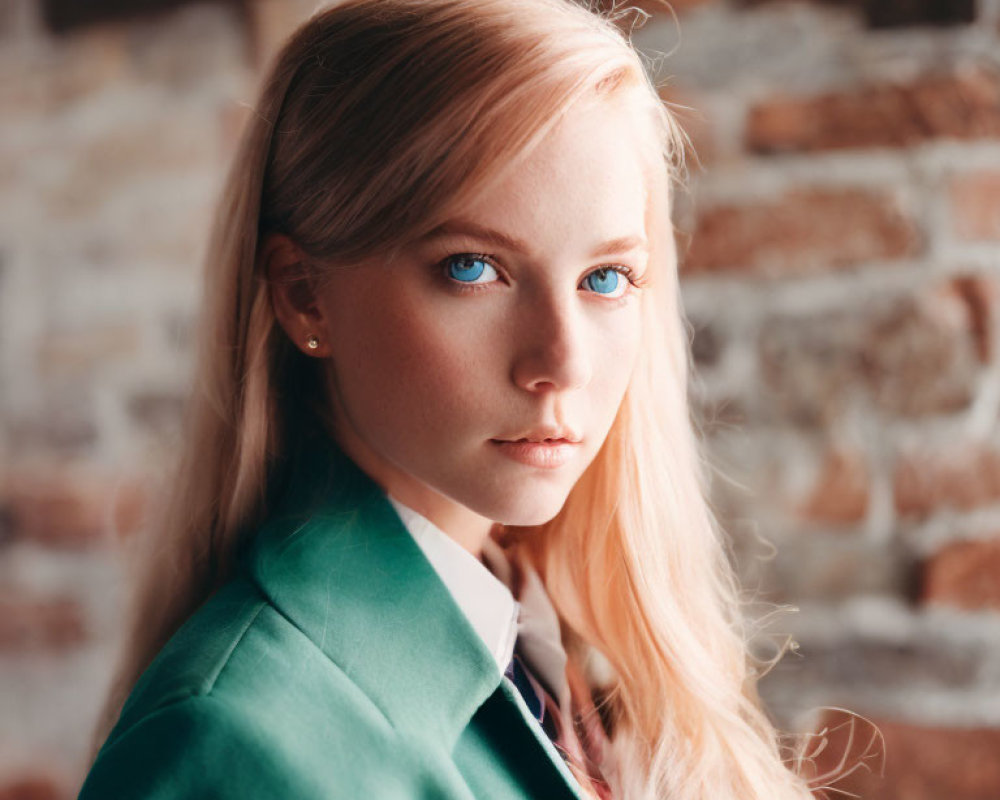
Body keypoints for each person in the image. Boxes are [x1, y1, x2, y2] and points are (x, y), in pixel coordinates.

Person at [77, 0, 854, 797]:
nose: (561, 362)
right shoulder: (234, 741)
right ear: (305, 295)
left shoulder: (556, 648)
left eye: (606, 278)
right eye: (472, 269)